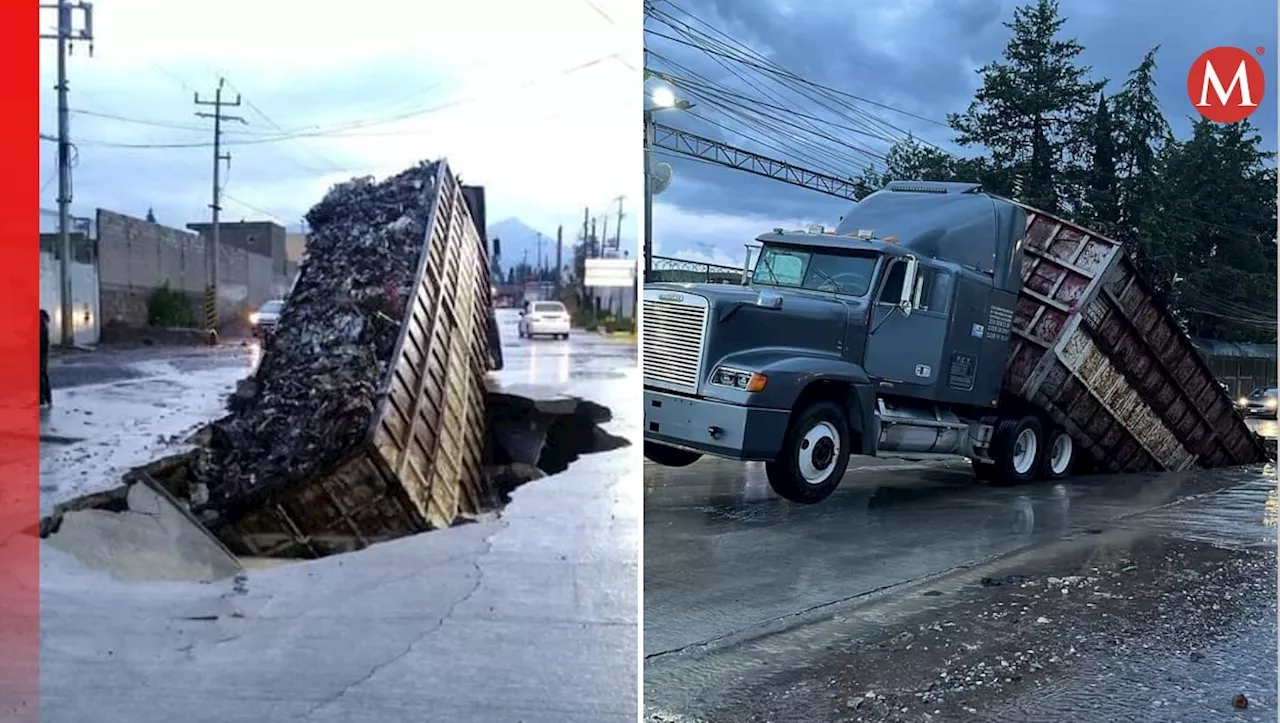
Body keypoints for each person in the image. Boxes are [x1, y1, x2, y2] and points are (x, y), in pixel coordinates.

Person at [39, 309, 52, 408]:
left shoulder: (40, 322)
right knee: (43, 376)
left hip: (41, 353)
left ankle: (43, 399)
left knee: (41, 376)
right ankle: (46, 399)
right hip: (43, 353)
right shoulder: (43, 320)